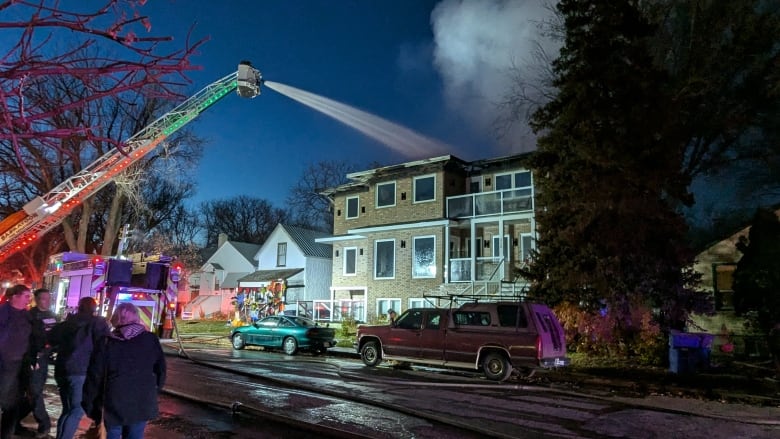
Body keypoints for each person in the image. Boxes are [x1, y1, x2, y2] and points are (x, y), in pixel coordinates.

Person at [83, 302, 166, 439]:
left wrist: (89, 404)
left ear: (116, 319)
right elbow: (161, 370)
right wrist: (153, 391)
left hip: (113, 403)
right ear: (137, 318)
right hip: (142, 401)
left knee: (112, 433)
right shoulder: (150, 339)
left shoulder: (106, 342)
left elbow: (95, 377)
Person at [48, 297, 109, 439]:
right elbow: (105, 345)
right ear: (94, 308)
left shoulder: (68, 323)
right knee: (76, 410)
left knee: (68, 409)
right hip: (81, 370)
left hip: (62, 369)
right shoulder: (97, 323)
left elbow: (51, 338)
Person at [16, 288, 58, 438]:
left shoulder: (53, 316)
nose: (47, 301)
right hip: (34, 359)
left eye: (49, 298)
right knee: (34, 392)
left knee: (33, 393)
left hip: (46, 359)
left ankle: (14, 421)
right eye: (43, 298)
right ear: (37, 300)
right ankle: (44, 424)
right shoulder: (30, 316)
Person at [0, 285, 34, 439]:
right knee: (8, 402)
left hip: (21, 364)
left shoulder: (26, 316)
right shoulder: (3, 313)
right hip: (6, 363)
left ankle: (8, 432)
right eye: (26, 296)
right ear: (14, 296)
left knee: (17, 401)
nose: (29, 299)